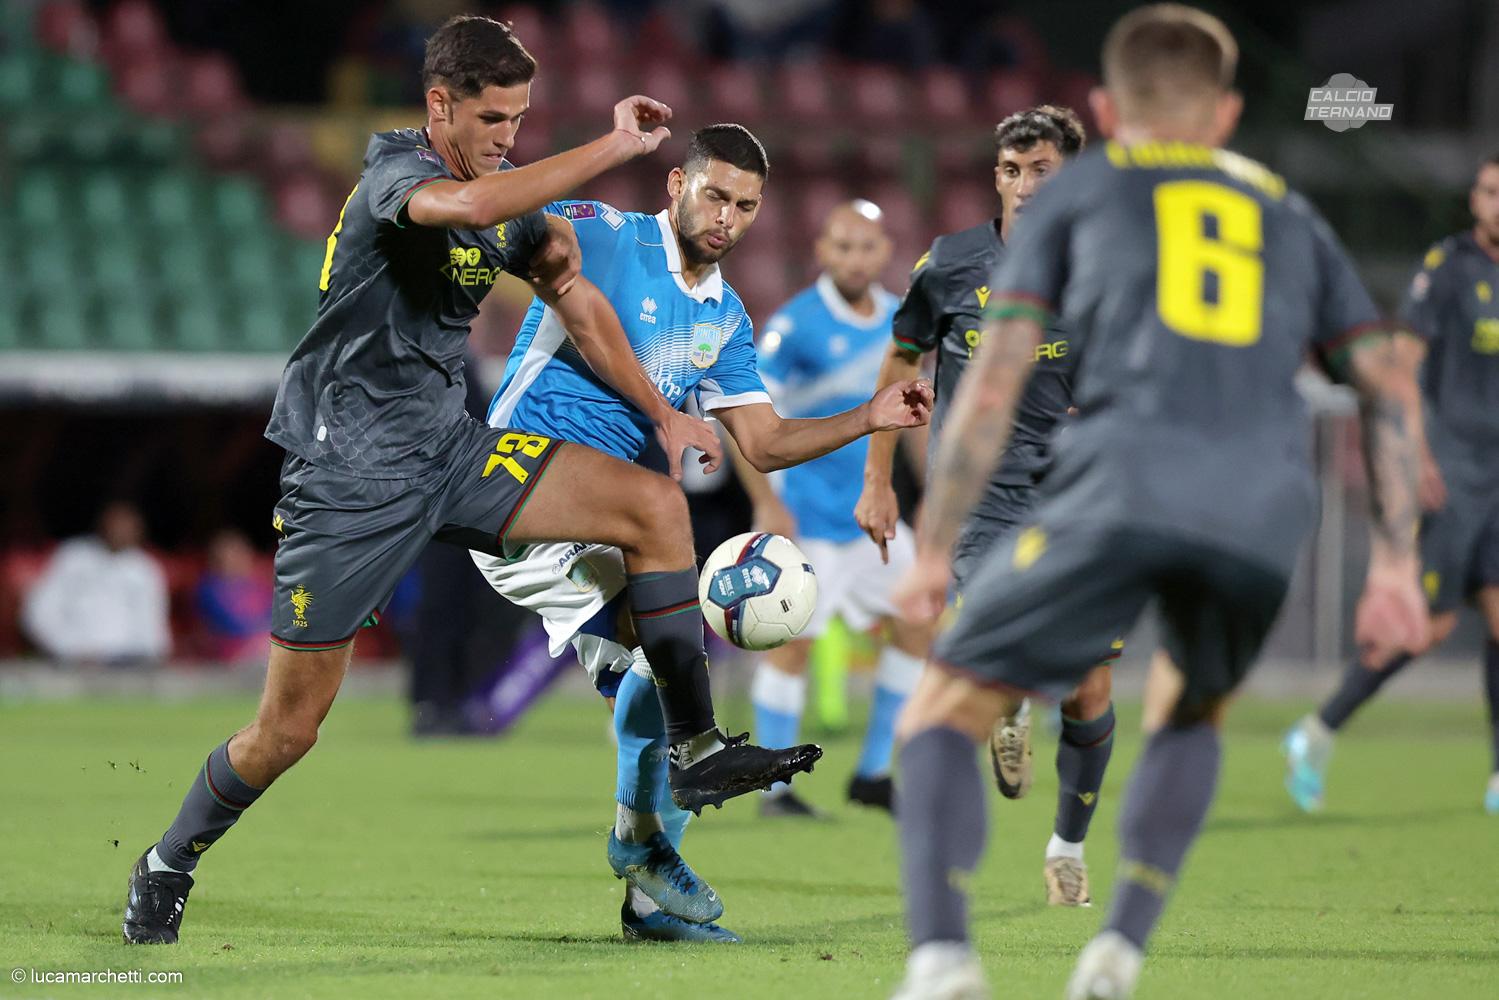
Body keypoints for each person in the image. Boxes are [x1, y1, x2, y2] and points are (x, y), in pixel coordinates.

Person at [121, 16, 814, 946]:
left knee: (654, 505)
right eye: (492, 118)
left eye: (519, 119)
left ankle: (693, 748)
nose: (506, 136)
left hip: (449, 452)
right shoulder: (396, 174)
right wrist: (614, 145)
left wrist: (662, 413)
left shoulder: (510, 201)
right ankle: (169, 859)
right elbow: (473, 206)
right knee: (286, 733)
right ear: (439, 104)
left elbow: (577, 298)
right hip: (348, 474)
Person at [885, 6, 1427, 998]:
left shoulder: (1076, 199)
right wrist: (1394, 561)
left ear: (1103, 110)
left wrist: (931, 548)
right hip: (1262, 511)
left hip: (1120, 482)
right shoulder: (1287, 212)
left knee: (937, 708)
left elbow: (991, 382)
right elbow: (1386, 381)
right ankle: (1117, 950)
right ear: (1225, 114)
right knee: (1187, 710)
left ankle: (941, 960)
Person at [471, 124, 933, 941]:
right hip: (525, 493)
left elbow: (765, 441)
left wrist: (868, 416)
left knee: (670, 676)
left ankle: (649, 895)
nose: (727, 217)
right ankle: (641, 849)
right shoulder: (607, 235)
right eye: (715, 195)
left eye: (745, 206)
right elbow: (503, 213)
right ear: (676, 185)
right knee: (671, 671)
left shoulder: (724, 315)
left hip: (611, 521)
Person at [857, 105, 1118, 906]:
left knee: (1089, 690)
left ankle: (1066, 849)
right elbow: (901, 358)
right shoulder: (951, 263)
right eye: (1011, 170)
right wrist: (877, 479)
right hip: (979, 501)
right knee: (982, 634)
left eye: (1042, 170)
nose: (1024, 185)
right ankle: (1004, 703)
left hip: (1078, 499)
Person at [1284, 153, 1499, 815]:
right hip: (1454, 471)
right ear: (1474, 199)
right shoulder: (1448, 269)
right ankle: (1317, 729)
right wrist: (1420, 458)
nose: (1496, 203)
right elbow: (1402, 365)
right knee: (1424, 627)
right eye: (1489, 191)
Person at [731, 199, 926, 818]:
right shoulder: (794, 326)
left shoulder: (901, 321)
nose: (855, 259)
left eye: (866, 246)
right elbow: (744, 420)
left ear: (885, 252)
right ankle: (775, 789)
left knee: (920, 621)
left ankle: (874, 773)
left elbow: (914, 420)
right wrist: (767, 503)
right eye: (843, 246)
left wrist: (933, 498)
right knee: (791, 647)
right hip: (806, 516)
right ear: (821, 251)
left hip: (872, 518)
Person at [23, 501, 170, 665]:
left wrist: (151, 657)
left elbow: (152, 626)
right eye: (117, 525)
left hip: (127, 663)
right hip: (72, 659)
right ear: (103, 525)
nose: (122, 531)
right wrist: (70, 650)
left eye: (129, 527)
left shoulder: (145, 569)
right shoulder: (73, 558)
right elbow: (39, 613)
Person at [194, 529, 271, 663]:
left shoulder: (260, 586)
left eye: (239, 554)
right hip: (229, 652)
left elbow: (275, 617)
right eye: (229, 555)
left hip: (263, 646)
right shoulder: (209, 590)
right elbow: (227, 624)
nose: (235, 560)